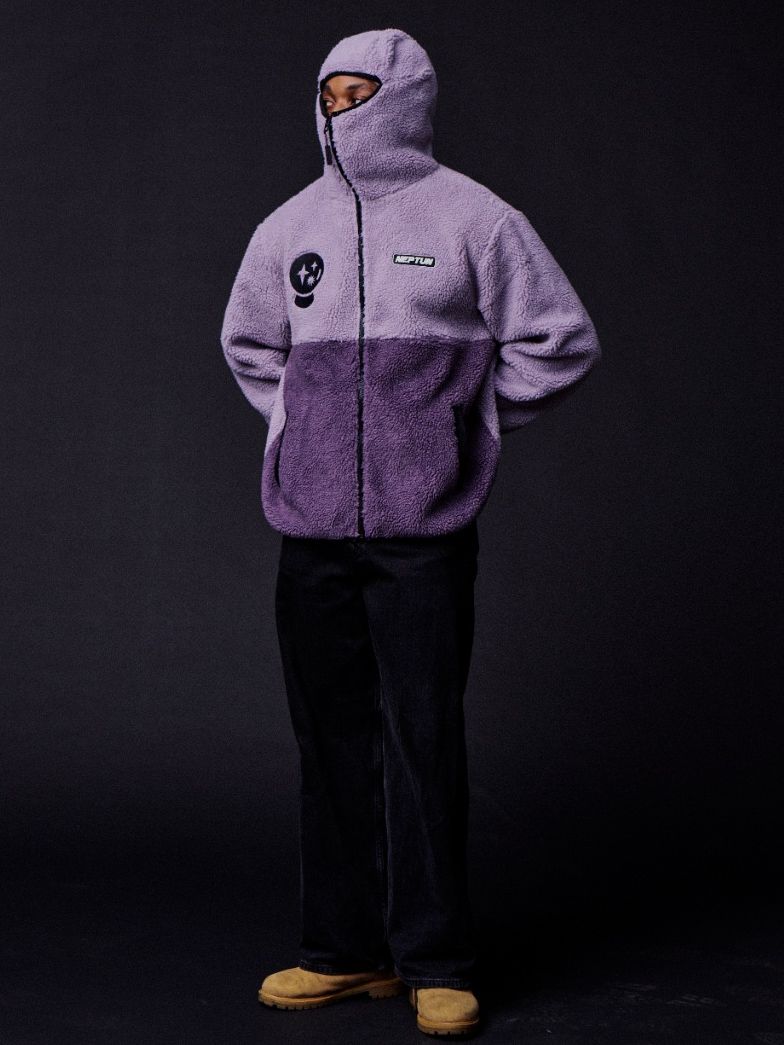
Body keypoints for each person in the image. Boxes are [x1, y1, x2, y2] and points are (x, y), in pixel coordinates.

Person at [220, 26, 602, 1038]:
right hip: (310, 529)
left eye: (359, 92)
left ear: (405, 98)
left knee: (421, 735)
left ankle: (435, 958)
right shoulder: (287, 227)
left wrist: (457, 428)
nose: (340, 109)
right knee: (328, 740)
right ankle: (344, 953)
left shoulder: (475, 217)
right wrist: (299, 436)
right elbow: (251, 347)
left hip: (422, 531)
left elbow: (559, 340)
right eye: (329, 92)